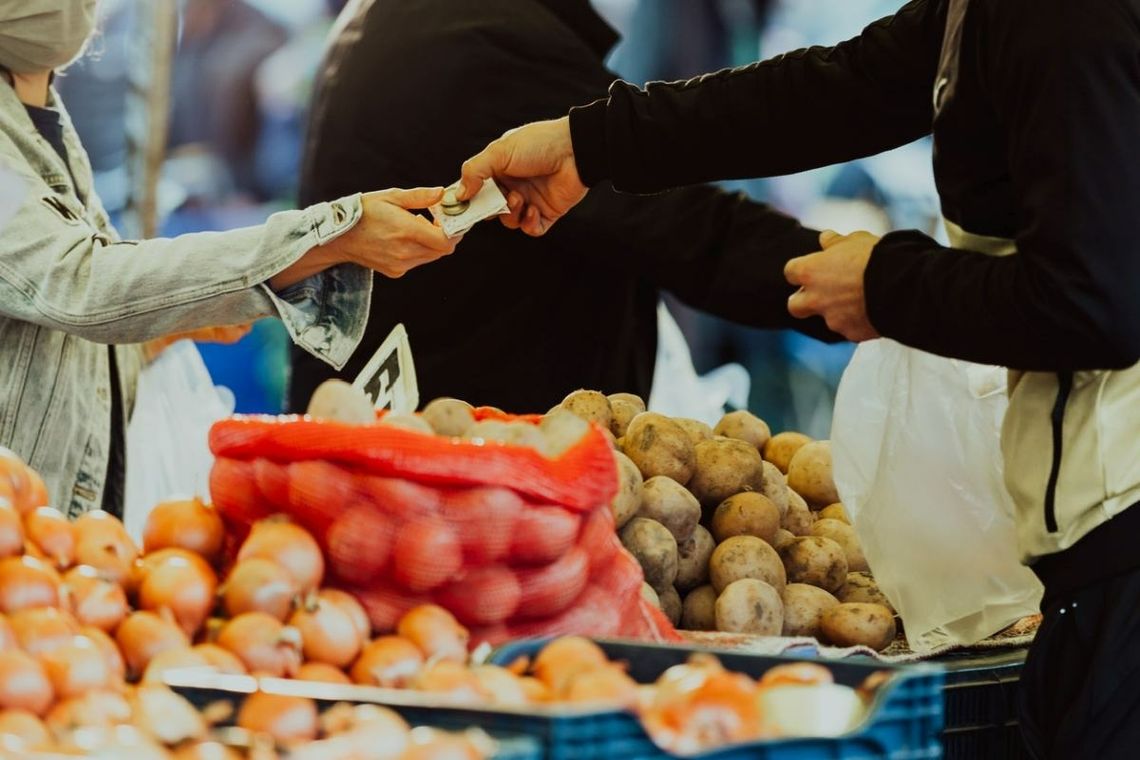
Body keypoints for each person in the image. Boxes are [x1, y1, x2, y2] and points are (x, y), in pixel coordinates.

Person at [457, 0, 1140, 756]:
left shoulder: (1066, 15)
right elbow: (840, 87)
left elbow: (1095, 299)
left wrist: (887, 285)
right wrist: (590, 143)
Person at [0, 0, 460, 518]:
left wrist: (159, 333)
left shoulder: (41, 115)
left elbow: (39, 326)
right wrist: (330, 237)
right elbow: (78, 282)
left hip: (65, 534)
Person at [290, 0, 838, 414]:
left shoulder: (407, 15)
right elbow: (684, 227)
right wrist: (861, 283)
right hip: (467, 471)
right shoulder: (478, 33)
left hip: (430, 436)